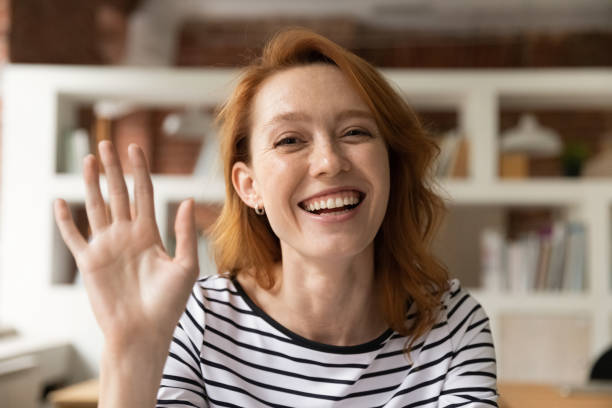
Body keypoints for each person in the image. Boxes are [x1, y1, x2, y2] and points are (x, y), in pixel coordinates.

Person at [54, 28, 498, 407]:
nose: (328, 161)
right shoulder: (197, 320)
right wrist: (132, 351)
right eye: (289, 140)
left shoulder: (453, 324)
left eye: (355, 132)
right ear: (250, 187)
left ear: (391, 165)